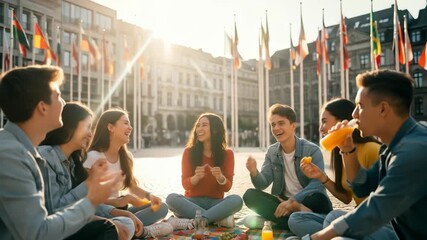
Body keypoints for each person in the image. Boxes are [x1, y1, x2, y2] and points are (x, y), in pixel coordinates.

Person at [0, 65, 121, 239]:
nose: (64, 103)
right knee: (105, 229)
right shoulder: (10, 155)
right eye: (58, 96)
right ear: (43, 107)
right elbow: (39, 233)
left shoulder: (21, 149)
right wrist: (91, 200)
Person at [308, 70, 427, 240]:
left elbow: (376, 209)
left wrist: (314, 238)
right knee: (336, 225)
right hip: (400, 232)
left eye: (360, 106)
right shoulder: (393, 146)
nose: (354, 114)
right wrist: (347, 149)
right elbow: (362, 186)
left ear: (383, 108)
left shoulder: (413, 151)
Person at [288, 98, 397, 238]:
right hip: (358, 219)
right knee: (296, 219)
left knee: (333, 217)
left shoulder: (371, 149)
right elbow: (346, 198)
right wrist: (322, 177)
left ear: (342, 121)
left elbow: (383, 200)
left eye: (324, 121)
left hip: (378, 221)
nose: (321, 128)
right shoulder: (342, 151)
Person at [38, 102, 142, 240]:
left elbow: (87, 202)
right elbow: (54, 211)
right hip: (52, 230)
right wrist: (89, 184)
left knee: (125, 223)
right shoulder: (47, 157)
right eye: (87, 127)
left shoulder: (72, 163)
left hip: (72, 222)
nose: (90, 134)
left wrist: (121, 213)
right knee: (111, 228)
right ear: (71, 126)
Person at [83, 108, 173, 238]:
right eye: (125, 123)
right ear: (110, 127)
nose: (130, 128)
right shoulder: (92, 157)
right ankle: (140, 230)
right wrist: (117, 202)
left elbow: (131, 186)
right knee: (125, 222)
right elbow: (85, 197)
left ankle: (134, 228)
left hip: (121, 210)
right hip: (100, 212)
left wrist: (149, 196)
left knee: (161, 207)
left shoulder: (127, 157)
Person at [243, 104, 332, 230]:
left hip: (308, 202)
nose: (276, 128)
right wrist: (253, 172)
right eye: (273, 125)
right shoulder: (272, 152)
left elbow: (317, 185)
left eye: (281, 123)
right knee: (249, 195)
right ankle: (296, 222)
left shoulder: (312, 150)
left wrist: (294, 202)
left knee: (319, 198)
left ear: (293, 126)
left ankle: (277, 222)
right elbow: (262, 184)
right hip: (283, 204)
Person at [166, 113, 243, 228]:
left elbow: (227, 187)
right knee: (171, 198)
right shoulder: (189, 152)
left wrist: (220, 178)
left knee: (237, 200)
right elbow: (185, 185)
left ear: (216, 130)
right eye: (198, 125)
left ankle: (199, 220)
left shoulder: (227, 154)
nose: (199, 129)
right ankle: (216, 219)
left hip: (215, 203)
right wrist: (195, 178)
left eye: (204, 125)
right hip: (192, 202)